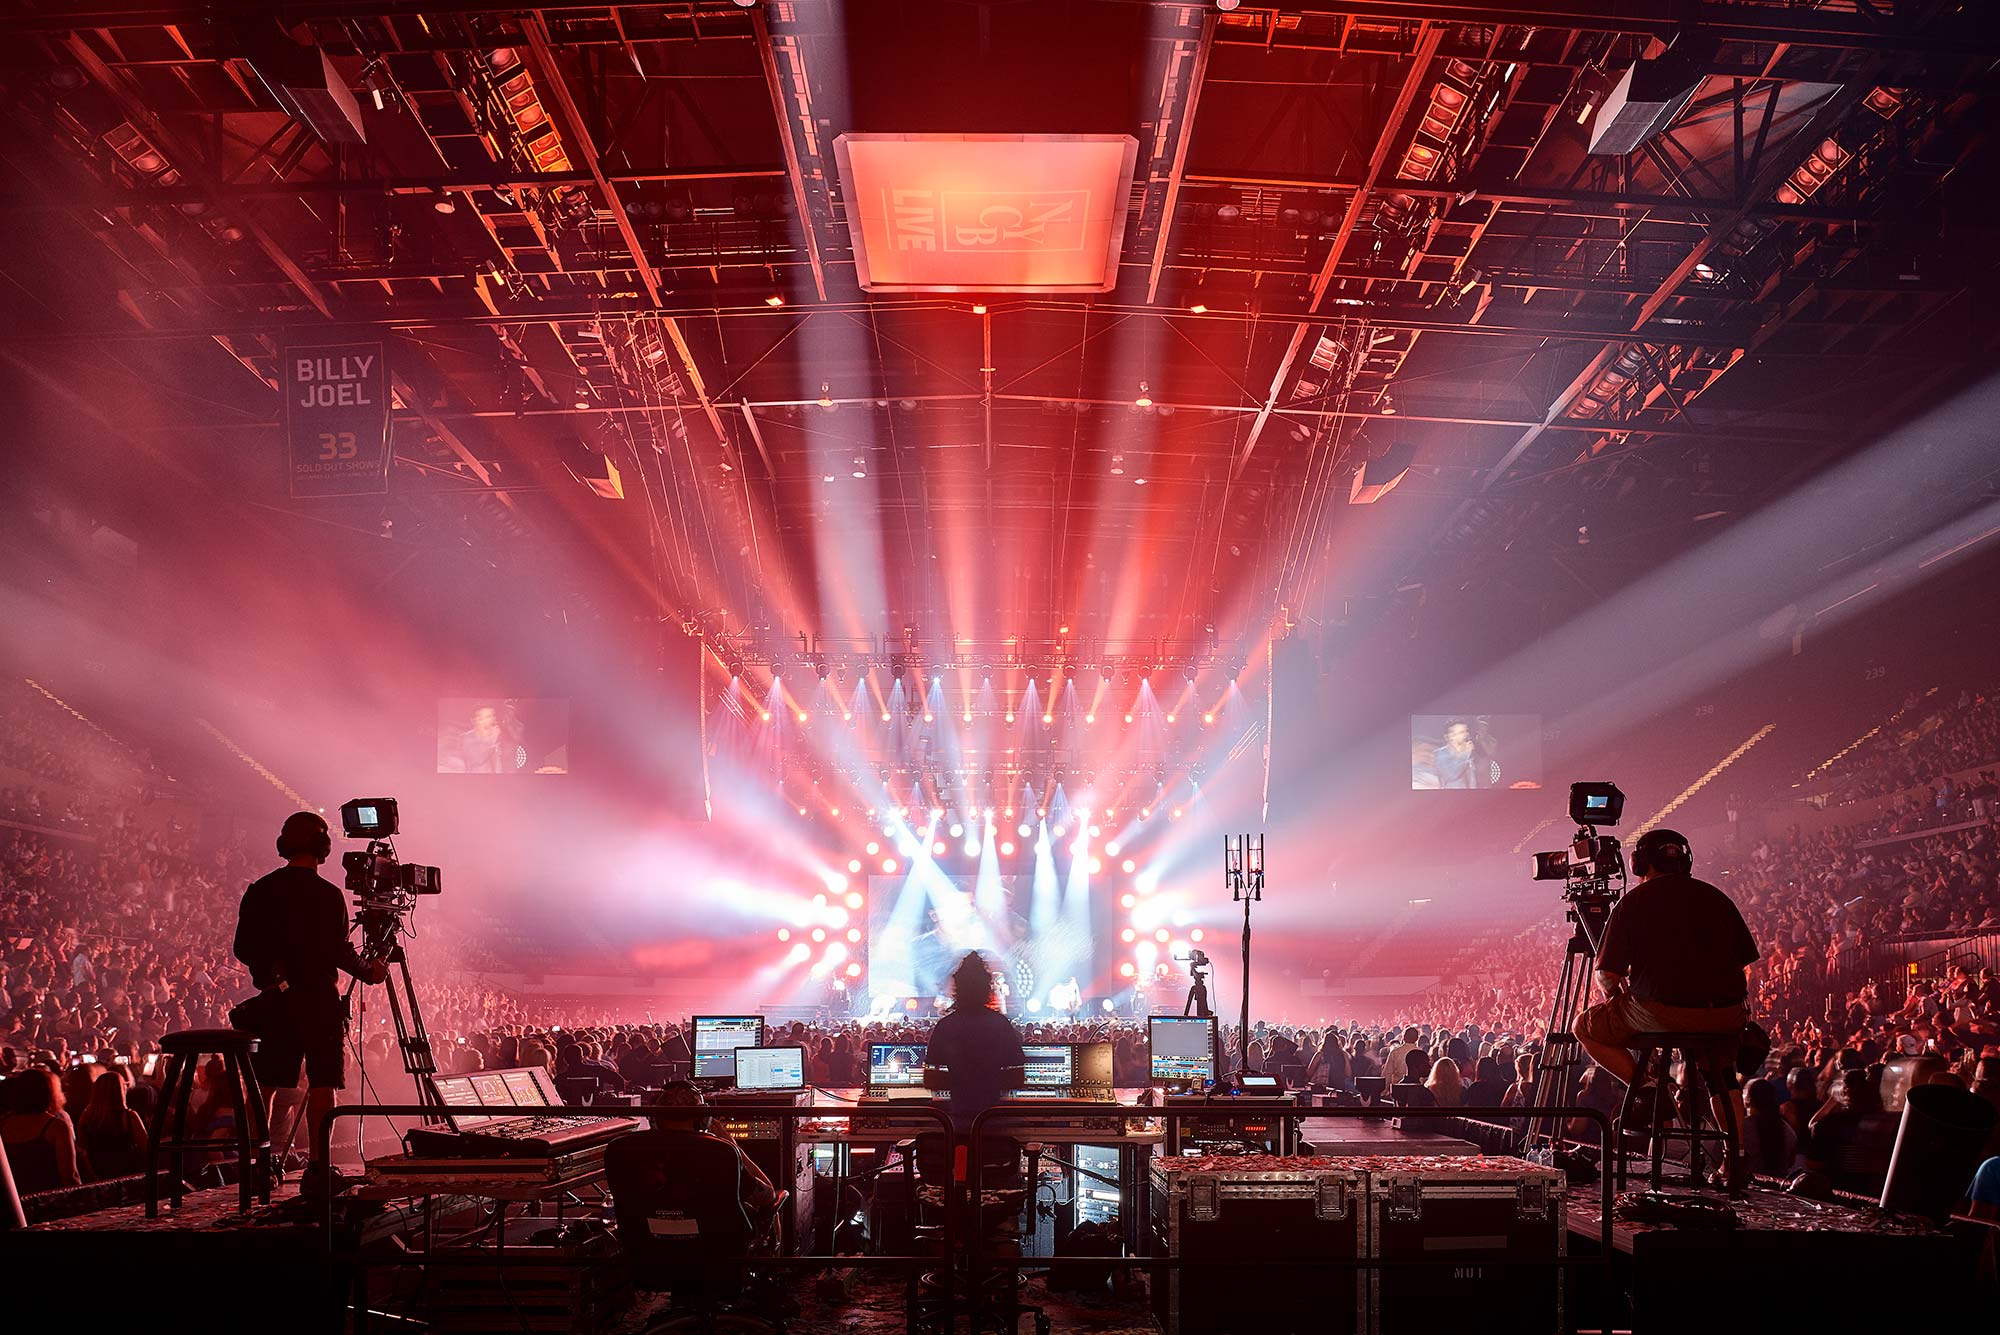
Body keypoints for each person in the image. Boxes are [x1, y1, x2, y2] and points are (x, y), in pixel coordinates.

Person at [1574, 828, 1759, 1189]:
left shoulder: (1634, 901)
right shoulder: (1717, 897)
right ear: (1686, 860)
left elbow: (1607, 974)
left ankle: (1647, 1089)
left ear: (1641, 863)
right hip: (1724, 1014)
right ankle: (1734, 1159)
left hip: (1660, 1012)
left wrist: (1621, 1001)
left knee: (1585, 1026)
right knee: (1721, 1076)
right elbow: (1747, 962)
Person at [231, 811, 387, 1194]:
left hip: (277, 1002)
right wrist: (371, 971)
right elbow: (339, 952)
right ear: (323, 848)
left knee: (267, 1083)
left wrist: (276, 977)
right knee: (323, 1084)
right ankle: (319, 1168)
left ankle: (259, 1164)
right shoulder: (328, 895)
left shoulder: (260, 890)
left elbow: (243, 948)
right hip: (319, 1001)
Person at [643, 1081, 779, 1241]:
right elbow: (767, 1196)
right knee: (772, 1210)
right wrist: (734, 1147)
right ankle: (779, 1264)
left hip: (650, 1248)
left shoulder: (630, 1150)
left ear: (655, 1117)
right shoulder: (719, 1153)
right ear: (703, 1118)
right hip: (715, 1250)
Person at [924, 954, 1027, 1132]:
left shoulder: (945, 1026)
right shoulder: (1000, 1025)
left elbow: (931, 1080)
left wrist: (962, 1082)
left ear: (958, 988)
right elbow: (1017, 1078)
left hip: (955, 1126)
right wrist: (987, 1082)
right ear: (986, 988)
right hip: (994, 1127)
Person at [1, 1067, 82, 1193]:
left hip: (16, 1200)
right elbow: (69, 1175)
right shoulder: (56, 1127)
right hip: (48, 1200)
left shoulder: (4, 1124)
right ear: (49, 1093)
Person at [78, 1068, 149, 1181]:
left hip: (97, 1175)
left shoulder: (87, 1116)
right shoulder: (129, 1116)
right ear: (121, 1090)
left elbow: (82, 1148)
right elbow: (147, 1147)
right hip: (127, 1176)